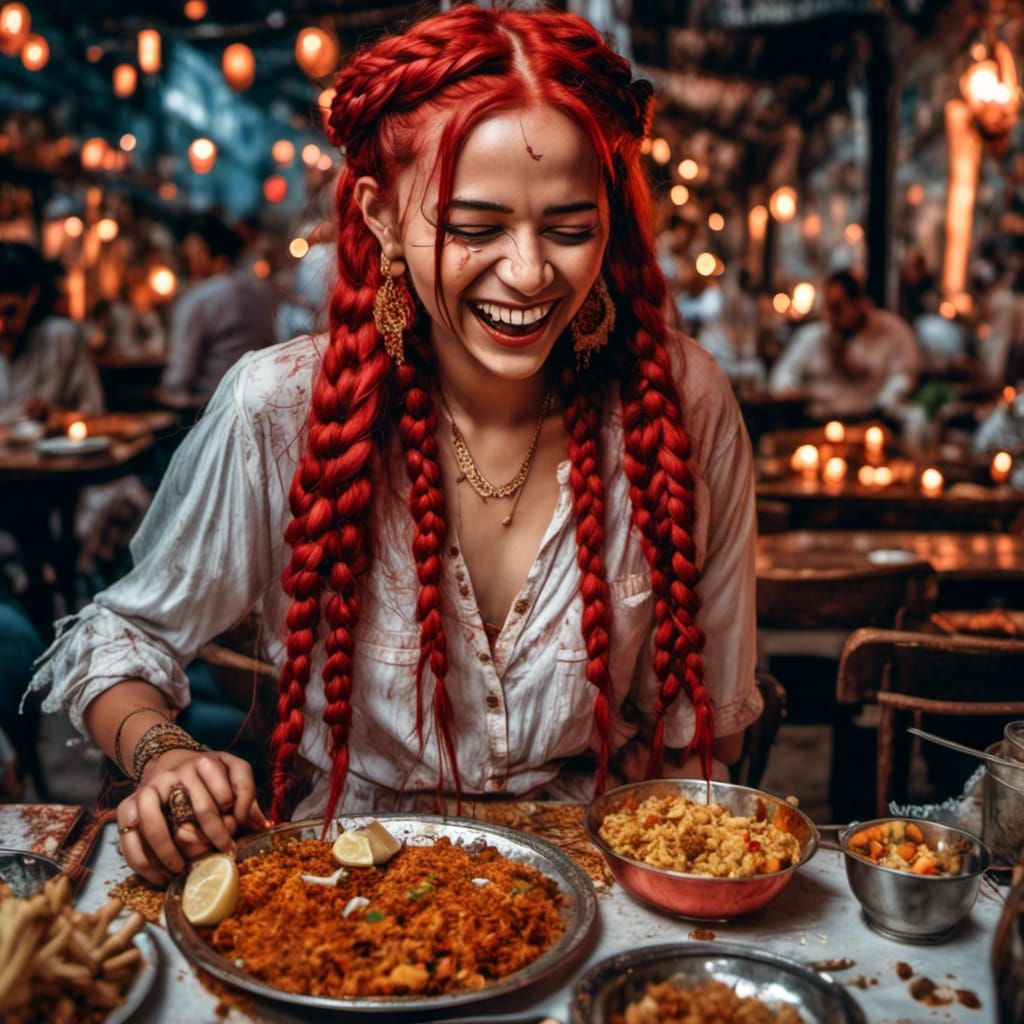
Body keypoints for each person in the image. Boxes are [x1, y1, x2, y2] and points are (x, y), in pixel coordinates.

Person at [29, 6, 762, 887]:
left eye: (570, 229)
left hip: (597, 884)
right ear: (380, 216)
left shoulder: (682, 403)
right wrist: (164, 754)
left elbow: (704, 737)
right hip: (346, 884)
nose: (529, 273)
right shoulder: (283, 407)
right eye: (474, 228)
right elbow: (120, 635)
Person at [768, 268, 921, 420]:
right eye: (827, 309)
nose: (830, 318)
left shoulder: (892, 331)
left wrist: (883, 406)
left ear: (858, 304)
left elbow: (903, 377)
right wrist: (794, 396)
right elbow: (782, 377)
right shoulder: (813, 336)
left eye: (837, 309)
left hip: (870, 420)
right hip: (816, 420)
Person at [160, 215, 278, 402]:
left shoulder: (198, 300)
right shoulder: (262, 292)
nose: (190, 261)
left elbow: (181, 373)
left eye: (194, 253)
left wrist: (166, 389)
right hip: (256, 397)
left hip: (208, 403)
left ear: (209, 254)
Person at [0, 242, 104, 425]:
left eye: (10, 312)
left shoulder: (60, 338)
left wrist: (56, 416)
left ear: (31, 296)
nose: (1, 326)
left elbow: (93, 411)